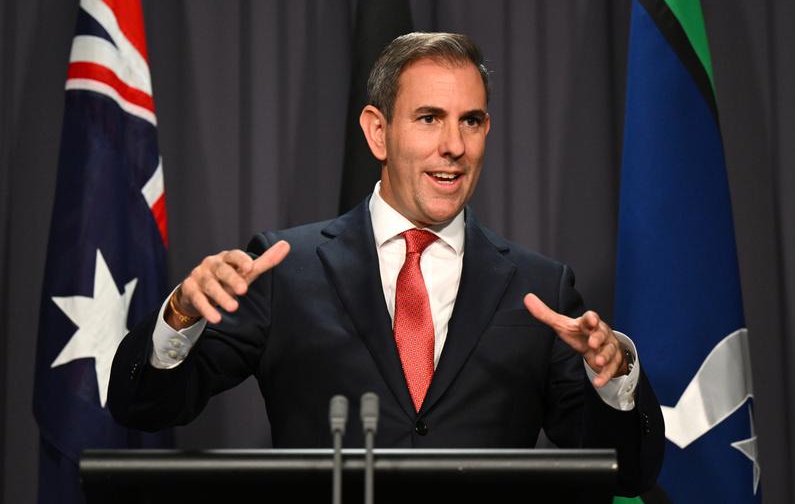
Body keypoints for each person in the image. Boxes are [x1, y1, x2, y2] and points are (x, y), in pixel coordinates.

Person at [109, 32, 664, 495]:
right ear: (379, 131)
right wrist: (179, 315)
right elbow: (142, 407)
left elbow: (629, 469)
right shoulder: (284, 270)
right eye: (428, 118)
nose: (454, 145)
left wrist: (614, 378)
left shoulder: (540, 288)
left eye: (470, 121)